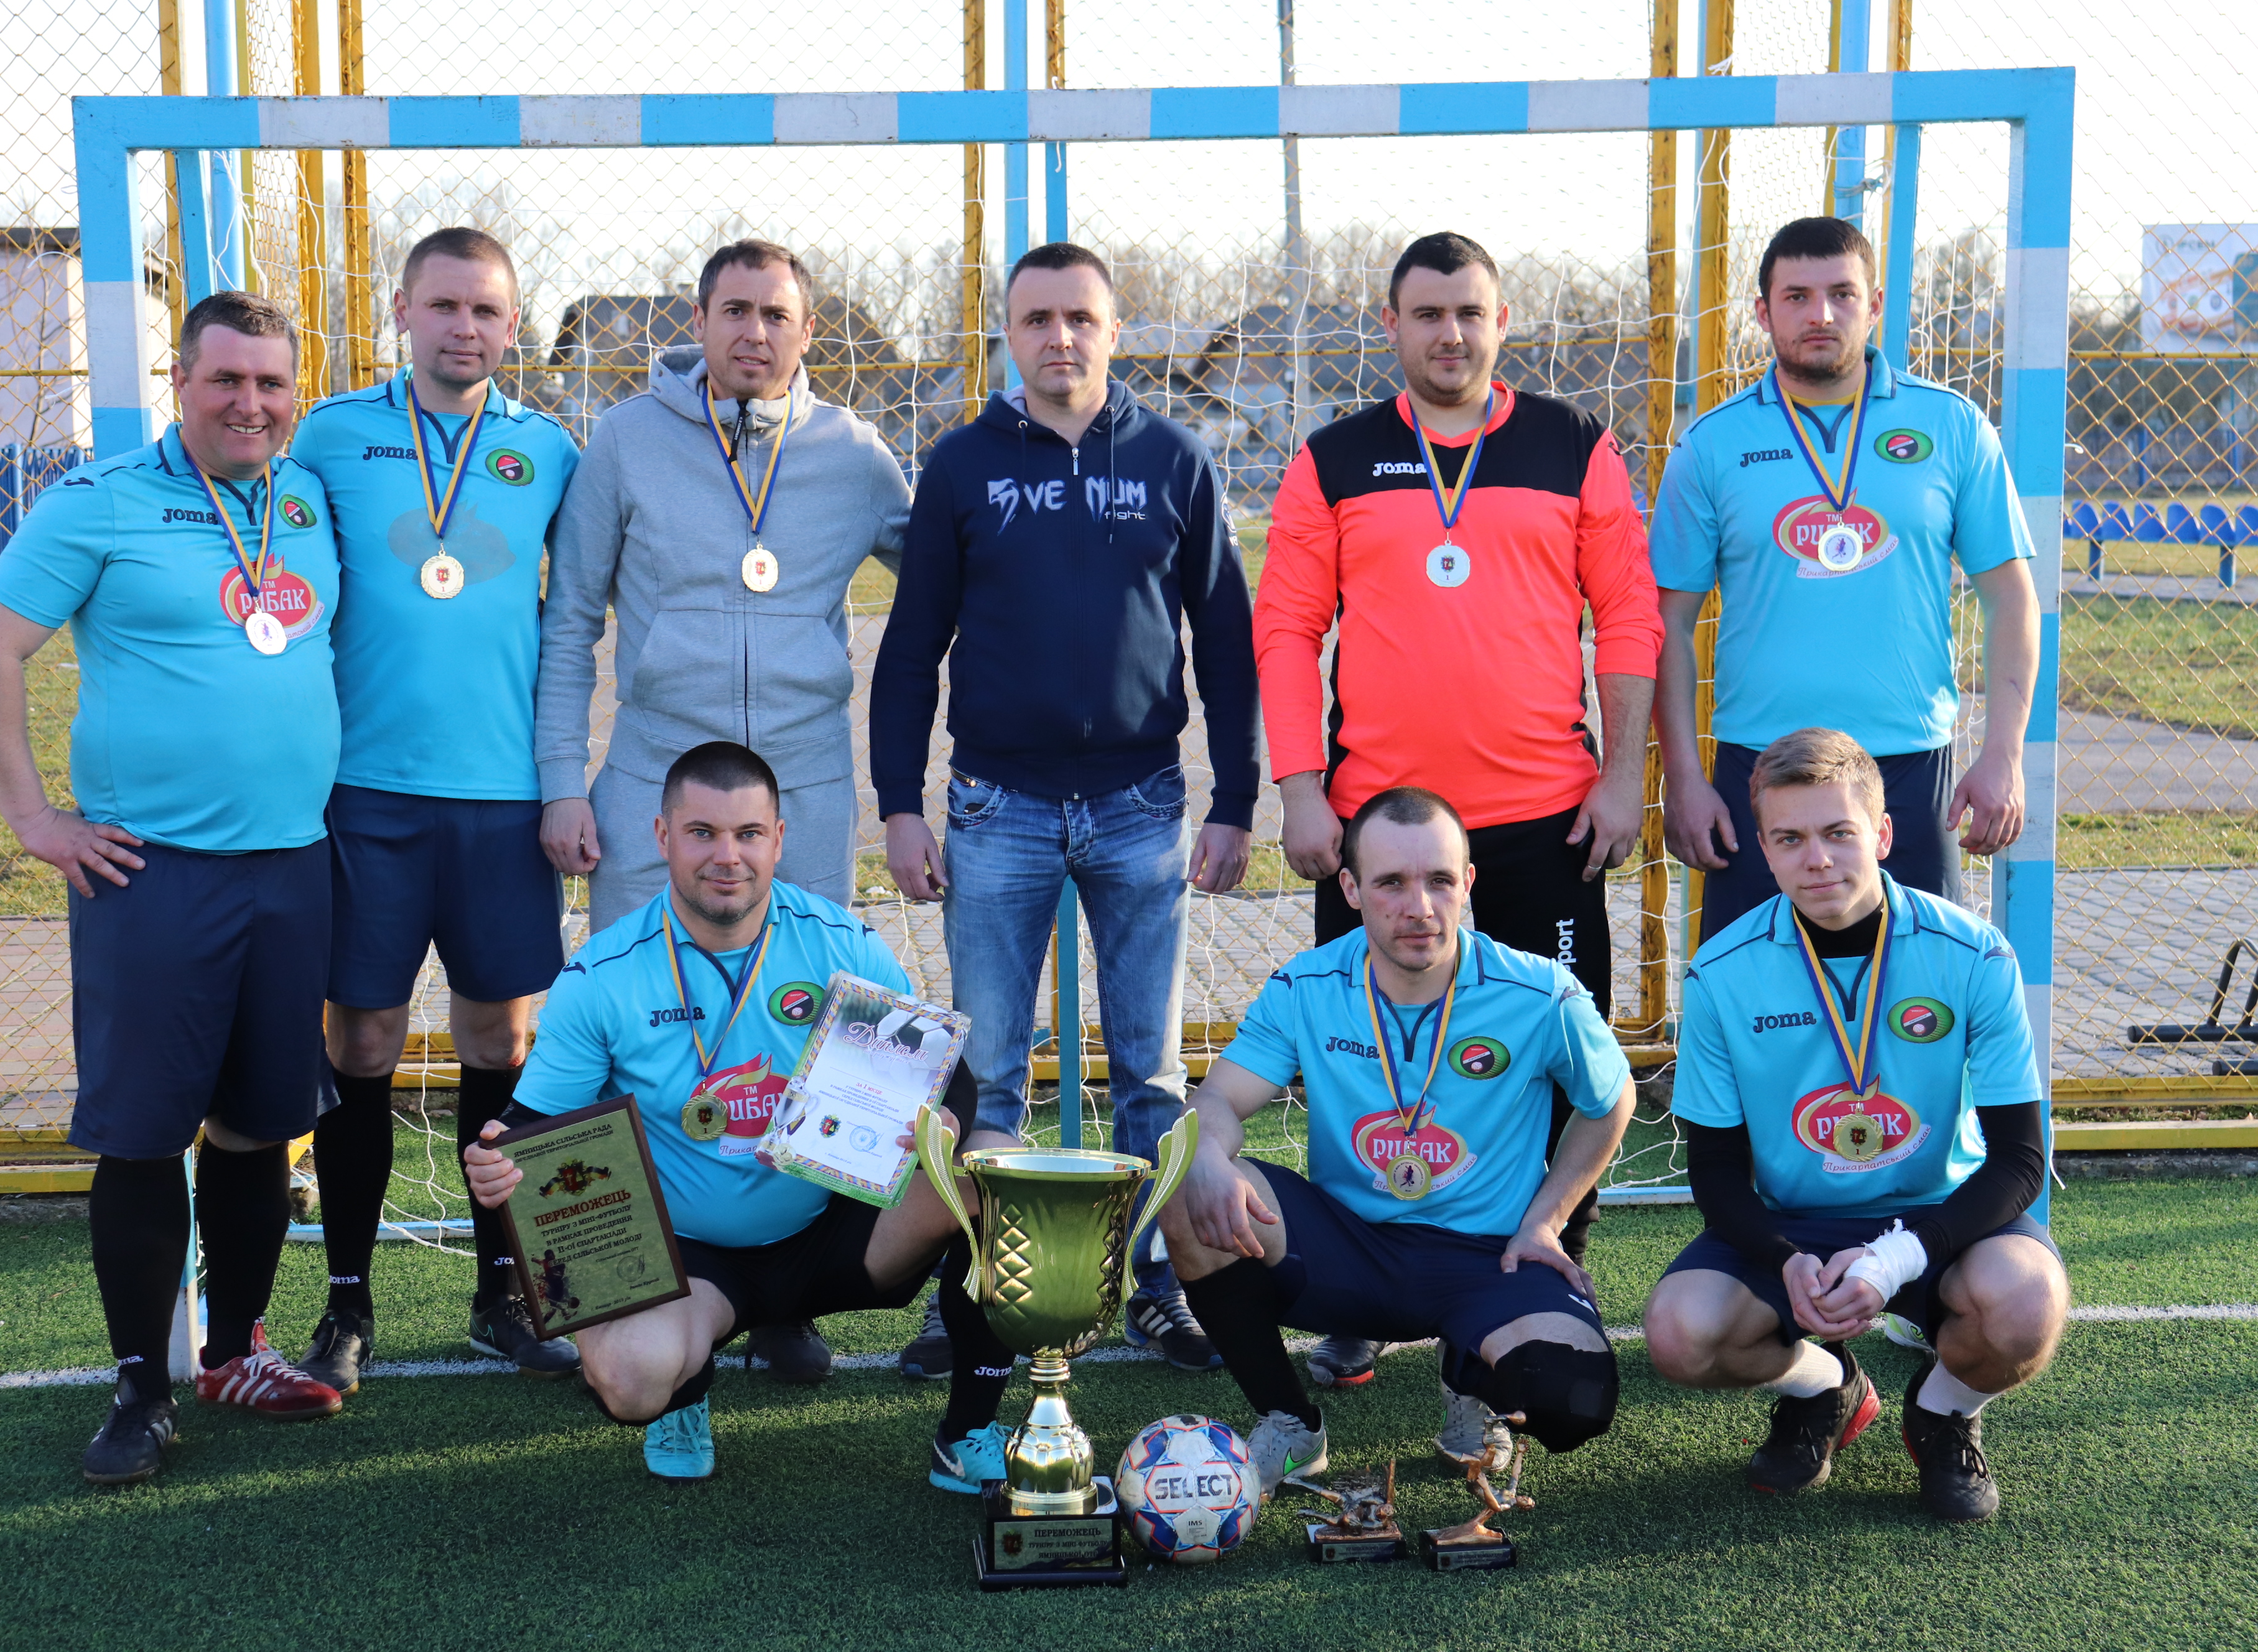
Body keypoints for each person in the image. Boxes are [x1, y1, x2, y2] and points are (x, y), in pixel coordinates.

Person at [1252, 231, 1661, 1401]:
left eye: (1469, 312)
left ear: (1500, 321)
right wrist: (1299, 790)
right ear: (1390, 325)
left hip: (1541, 821)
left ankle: (1546, 1270)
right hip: (1378, 836)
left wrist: (1620, 773)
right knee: (1366, 1068)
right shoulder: (1333, 457)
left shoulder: (1570, 444)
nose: (1450, 334)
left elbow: (1628, 612)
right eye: (1427, 313)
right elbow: (1286, 625)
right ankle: (1356, 1298)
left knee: (1558, 1068)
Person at [0, 292, 346, 1484]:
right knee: (142, 1133)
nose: (250, 403)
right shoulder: (100, 498)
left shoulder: (305, 497)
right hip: (153, 874)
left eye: (271, 383)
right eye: (226, 379)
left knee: (261, 1124)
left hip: (292, 865)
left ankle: (235, 1352)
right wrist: (33, 818)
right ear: (181, 382)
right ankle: (140, 1385)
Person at [868, 241, 1263, 1376]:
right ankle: (980, 1294)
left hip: (1141, 804)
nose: (1060, 338)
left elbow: (1225, 643)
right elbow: (911, 648)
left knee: (1150, 1075)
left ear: (1114, 330)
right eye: (1037, 319)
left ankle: (1160, 1285)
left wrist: (1236, 799)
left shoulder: (1175, 458)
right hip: (997, 805)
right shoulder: (961, 464)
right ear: (1009, 333)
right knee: (988, 1072)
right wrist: (900, 805)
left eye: (1080, 318)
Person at [534, 239, 913, 1382]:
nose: (755, 332)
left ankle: (784, 1298)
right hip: (658, 781)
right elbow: (570, 620)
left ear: (809, 332)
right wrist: (563, 780)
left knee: (812, 1035)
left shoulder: (855, 455)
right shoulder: (625, 440)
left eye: (776, 314)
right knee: (628, 1038)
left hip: (802, 786)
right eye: (734, 310)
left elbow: (950, 576)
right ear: (696, 322)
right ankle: (610, 1289)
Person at [462, 743, 1024, 1488]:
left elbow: (950, 1080)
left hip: (837, 1226)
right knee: (630, 1377)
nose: (727, 857)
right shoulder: (603, 975)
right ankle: (683, 1385)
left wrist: (943, 1126)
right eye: (702, 832)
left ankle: (970, 1429)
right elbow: (530, 1124)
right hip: (694, 1262)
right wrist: (497, 1158)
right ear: (663, 836)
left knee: (997, 1165)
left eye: (748, 833)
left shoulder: (840, 945)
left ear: (778, 839)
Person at [281, 228, 584, 1393]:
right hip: (364, 796)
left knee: (499, 1043)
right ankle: (346, 1301)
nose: (466, 327)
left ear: (512, 324)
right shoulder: (330, 435)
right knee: (359, 1039)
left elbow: (584, 609)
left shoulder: (546, 450)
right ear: (402, 309)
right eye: (445, 305)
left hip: (502, 802)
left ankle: (500, 1295)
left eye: (488, 310)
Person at [1156, 787, 1635, 1497]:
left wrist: (1548, 1219)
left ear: (1468, 882)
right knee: (1184, 1186)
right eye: (1391, 883)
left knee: (1576, 1401)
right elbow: (1218, 1100)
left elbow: (1612, 1100)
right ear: (1351, 889)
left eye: (1439, 880)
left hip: (1489, 1257)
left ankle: (1470, 1379)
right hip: (1351, 1248)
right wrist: (1203, 1155)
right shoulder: (1308, 986)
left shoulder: (1540, 994)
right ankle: (1291, 1422)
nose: (1420, 907)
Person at [1642, 730, 2065, 1522]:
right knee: (1680, 1334)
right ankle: (1829, 1386)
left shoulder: (1974, 955)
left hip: (1940, 1215)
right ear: (1764, 849)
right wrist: (1785, 1258)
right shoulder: (1721, 973)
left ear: (1884, 833)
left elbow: (2019, 1160)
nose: (1818, 860)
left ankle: (1942, 1410)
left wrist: (1897, 1256)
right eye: (1790, 838)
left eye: (1839, 832)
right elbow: (1717, 1171)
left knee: (2026, 1305)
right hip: (1797, 1222)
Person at [1650, 216, 2040, 942]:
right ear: (1763, 311)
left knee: (1919, 987)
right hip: (1759, 766)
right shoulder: (1712, 444)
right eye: (1796, 296)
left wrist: (2003, 754)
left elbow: (2011, 598)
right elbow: (1667, 622)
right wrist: (1685, 778)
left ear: (1876, 304)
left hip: (1908, 765)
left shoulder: (1952, 426)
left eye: (1841, 294)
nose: (1821, 315)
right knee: (1755, 987)